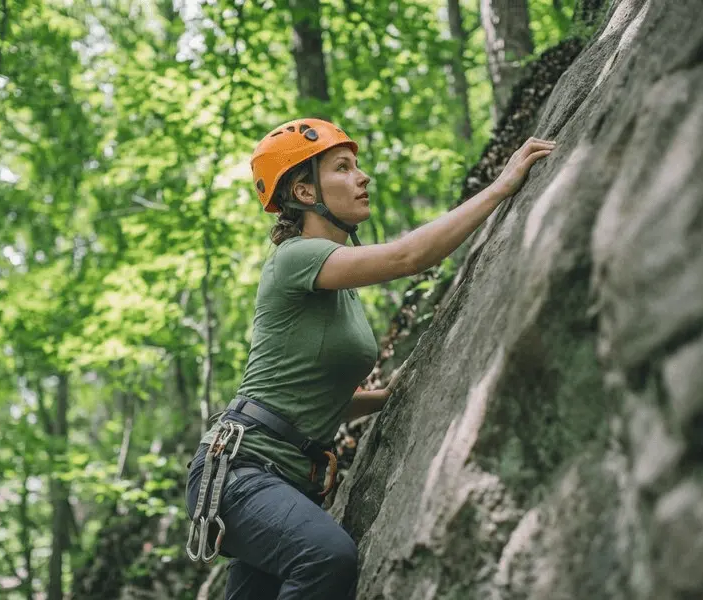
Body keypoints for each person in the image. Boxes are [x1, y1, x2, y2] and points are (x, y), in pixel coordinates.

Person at [184, 118, 555, 599]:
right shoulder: (295, 258)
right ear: (303, 190)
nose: (362, 177)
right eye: (343, 167)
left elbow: (313, 392)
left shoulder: (338, 286)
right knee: (326, 557)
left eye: (357, 166)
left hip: (283, 480)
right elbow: (407, 258)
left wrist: (389, 395)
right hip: (243, 472)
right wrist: (502, 187)